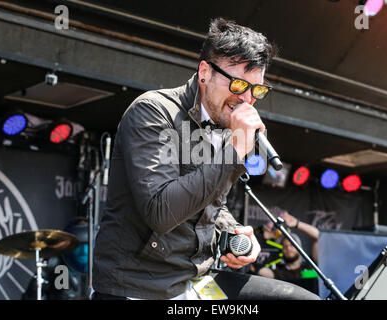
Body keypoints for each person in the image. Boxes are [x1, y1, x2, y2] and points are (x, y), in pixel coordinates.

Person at [92, 17, 319, 300]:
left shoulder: (225, 129)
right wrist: (235, 148)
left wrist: (234, 231)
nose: (247, 99)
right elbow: (161, 213)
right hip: (142, 284)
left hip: (197, 279)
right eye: (237, 85)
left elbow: (211, 204)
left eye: (256, 89)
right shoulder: (153, 111)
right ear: (204, 72)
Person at [258, 211, 320, 282]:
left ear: (300, 248)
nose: (288, 248)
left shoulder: (310, 267)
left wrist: (297, 223)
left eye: (292, 245)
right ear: (282, 250)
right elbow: (258, 271)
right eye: (285, 246)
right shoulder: (278, 272)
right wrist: (266, 235)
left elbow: (318, 237)